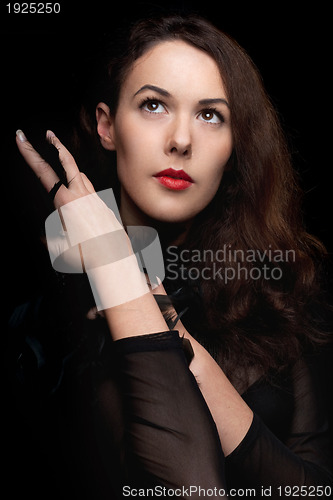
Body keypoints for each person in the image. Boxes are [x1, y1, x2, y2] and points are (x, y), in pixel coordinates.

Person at [9, 13, 333, 499]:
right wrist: (114, 271)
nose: (181, 140)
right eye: (154, 105)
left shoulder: (284, 300)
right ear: (107, 125)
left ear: (234, 145)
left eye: (210, 115)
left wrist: (148, 305)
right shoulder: (43, 326)